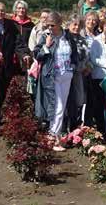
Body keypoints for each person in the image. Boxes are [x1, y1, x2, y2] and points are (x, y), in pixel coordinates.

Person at [34, 11, 78, 150]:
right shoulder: (46, 36)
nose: (50, 28)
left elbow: (74, 53)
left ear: (59, 23)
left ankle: (57, 137)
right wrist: (46, 46)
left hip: (67, 75)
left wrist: (73, 65)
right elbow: (37, 54)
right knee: (56, 107)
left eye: (52, 25)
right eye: (48, 25)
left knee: (62, 107)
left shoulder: (67, 36)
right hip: (52, 76)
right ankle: (52, 137)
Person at [0, 2, 18, 129]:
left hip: (7, 65)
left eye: (2, 11)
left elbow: (18, 42)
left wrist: (24, 54)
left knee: (3, 93)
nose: (0, 13)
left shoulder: (11, 25)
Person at [11, 0, 36, 76]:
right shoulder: (10, 23)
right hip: (13, 55)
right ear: (15, 9)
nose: (21, 10)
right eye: (19, 8)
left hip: (27, 55)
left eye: (23, 8)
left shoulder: (31, 25)